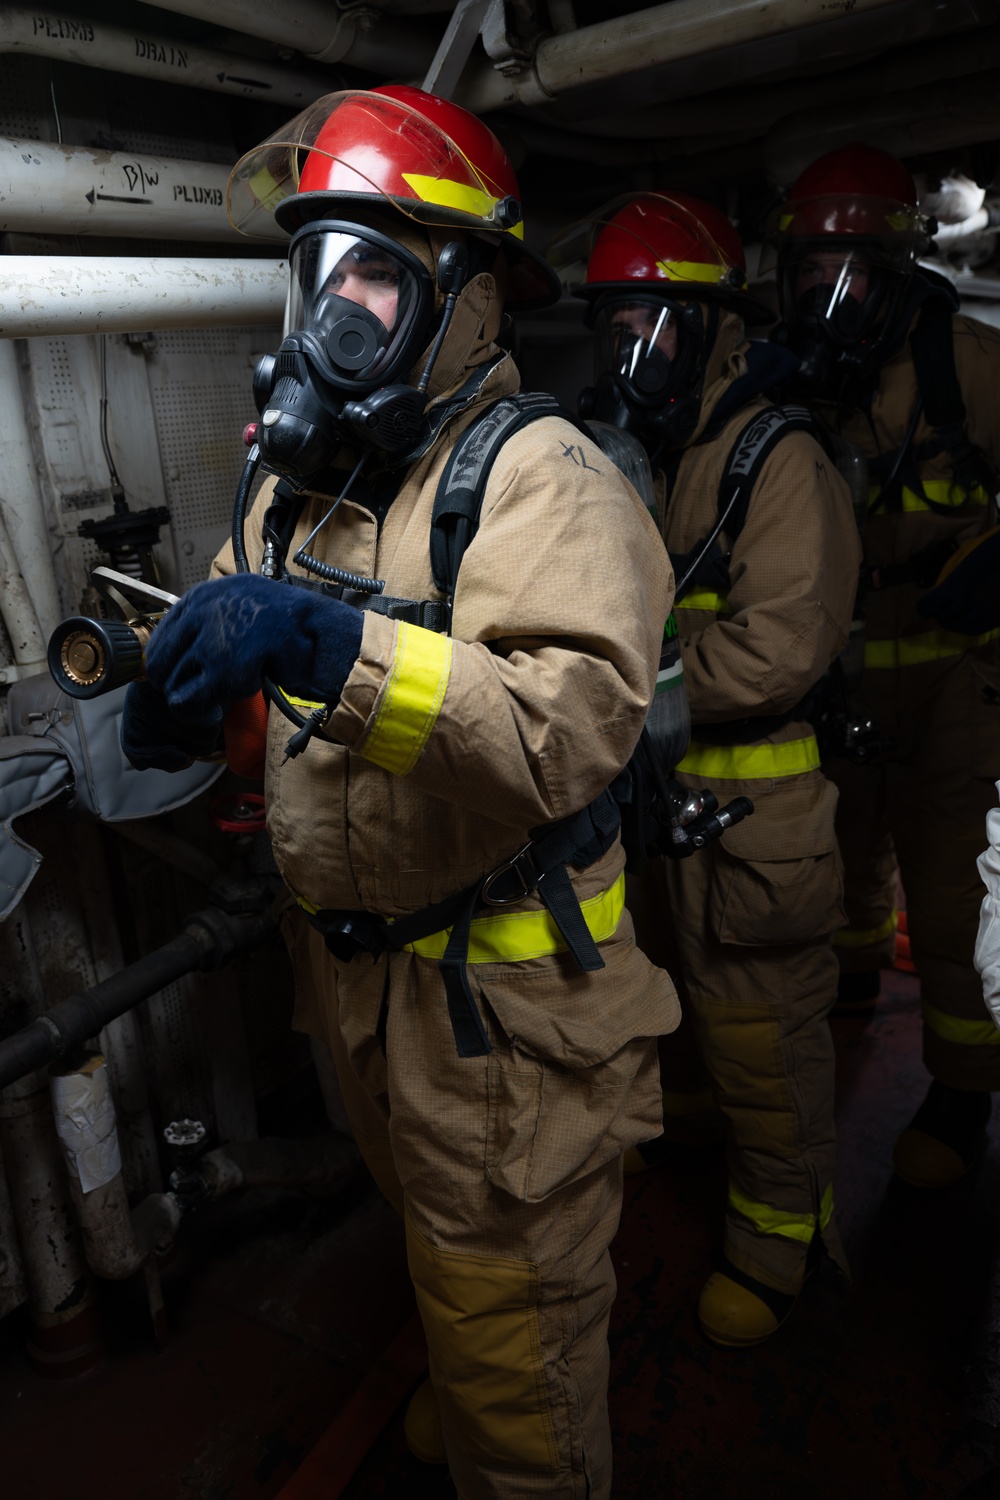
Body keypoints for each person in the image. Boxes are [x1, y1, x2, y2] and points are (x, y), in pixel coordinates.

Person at [120, 86, 678, 1500]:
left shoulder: (545, 482)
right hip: (357, 998)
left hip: (505, 1028)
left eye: (378, 271)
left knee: (519, 1366)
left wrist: (326, 644)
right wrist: (192, 707)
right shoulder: (295, 490)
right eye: (320, 272)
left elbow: (567, 728)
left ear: (469, 302)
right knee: (449, 1267)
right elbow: (263, 708)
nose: (337, 312)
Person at [564, 192, 859, 1346]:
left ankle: (783, 1250)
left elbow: (783, 648)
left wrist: (629, 690)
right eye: (614, 328)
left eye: (654, 327)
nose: (631, 356)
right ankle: (702, 1164)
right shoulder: (641, 456)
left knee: (761, 1043)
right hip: (661, 810)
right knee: (676, 1024)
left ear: (714, 331)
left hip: (755, 811)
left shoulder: (776, 462)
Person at [772, 144, 1000, 1189]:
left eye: (848, 272)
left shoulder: (969, 367)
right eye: (808, 273)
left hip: (957, 675)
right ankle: (855, 989)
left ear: (897, 267)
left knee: (950, 893)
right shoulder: (793, 384)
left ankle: (960, 1092)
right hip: (841, 672)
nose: (826, 297)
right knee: (843, 854)